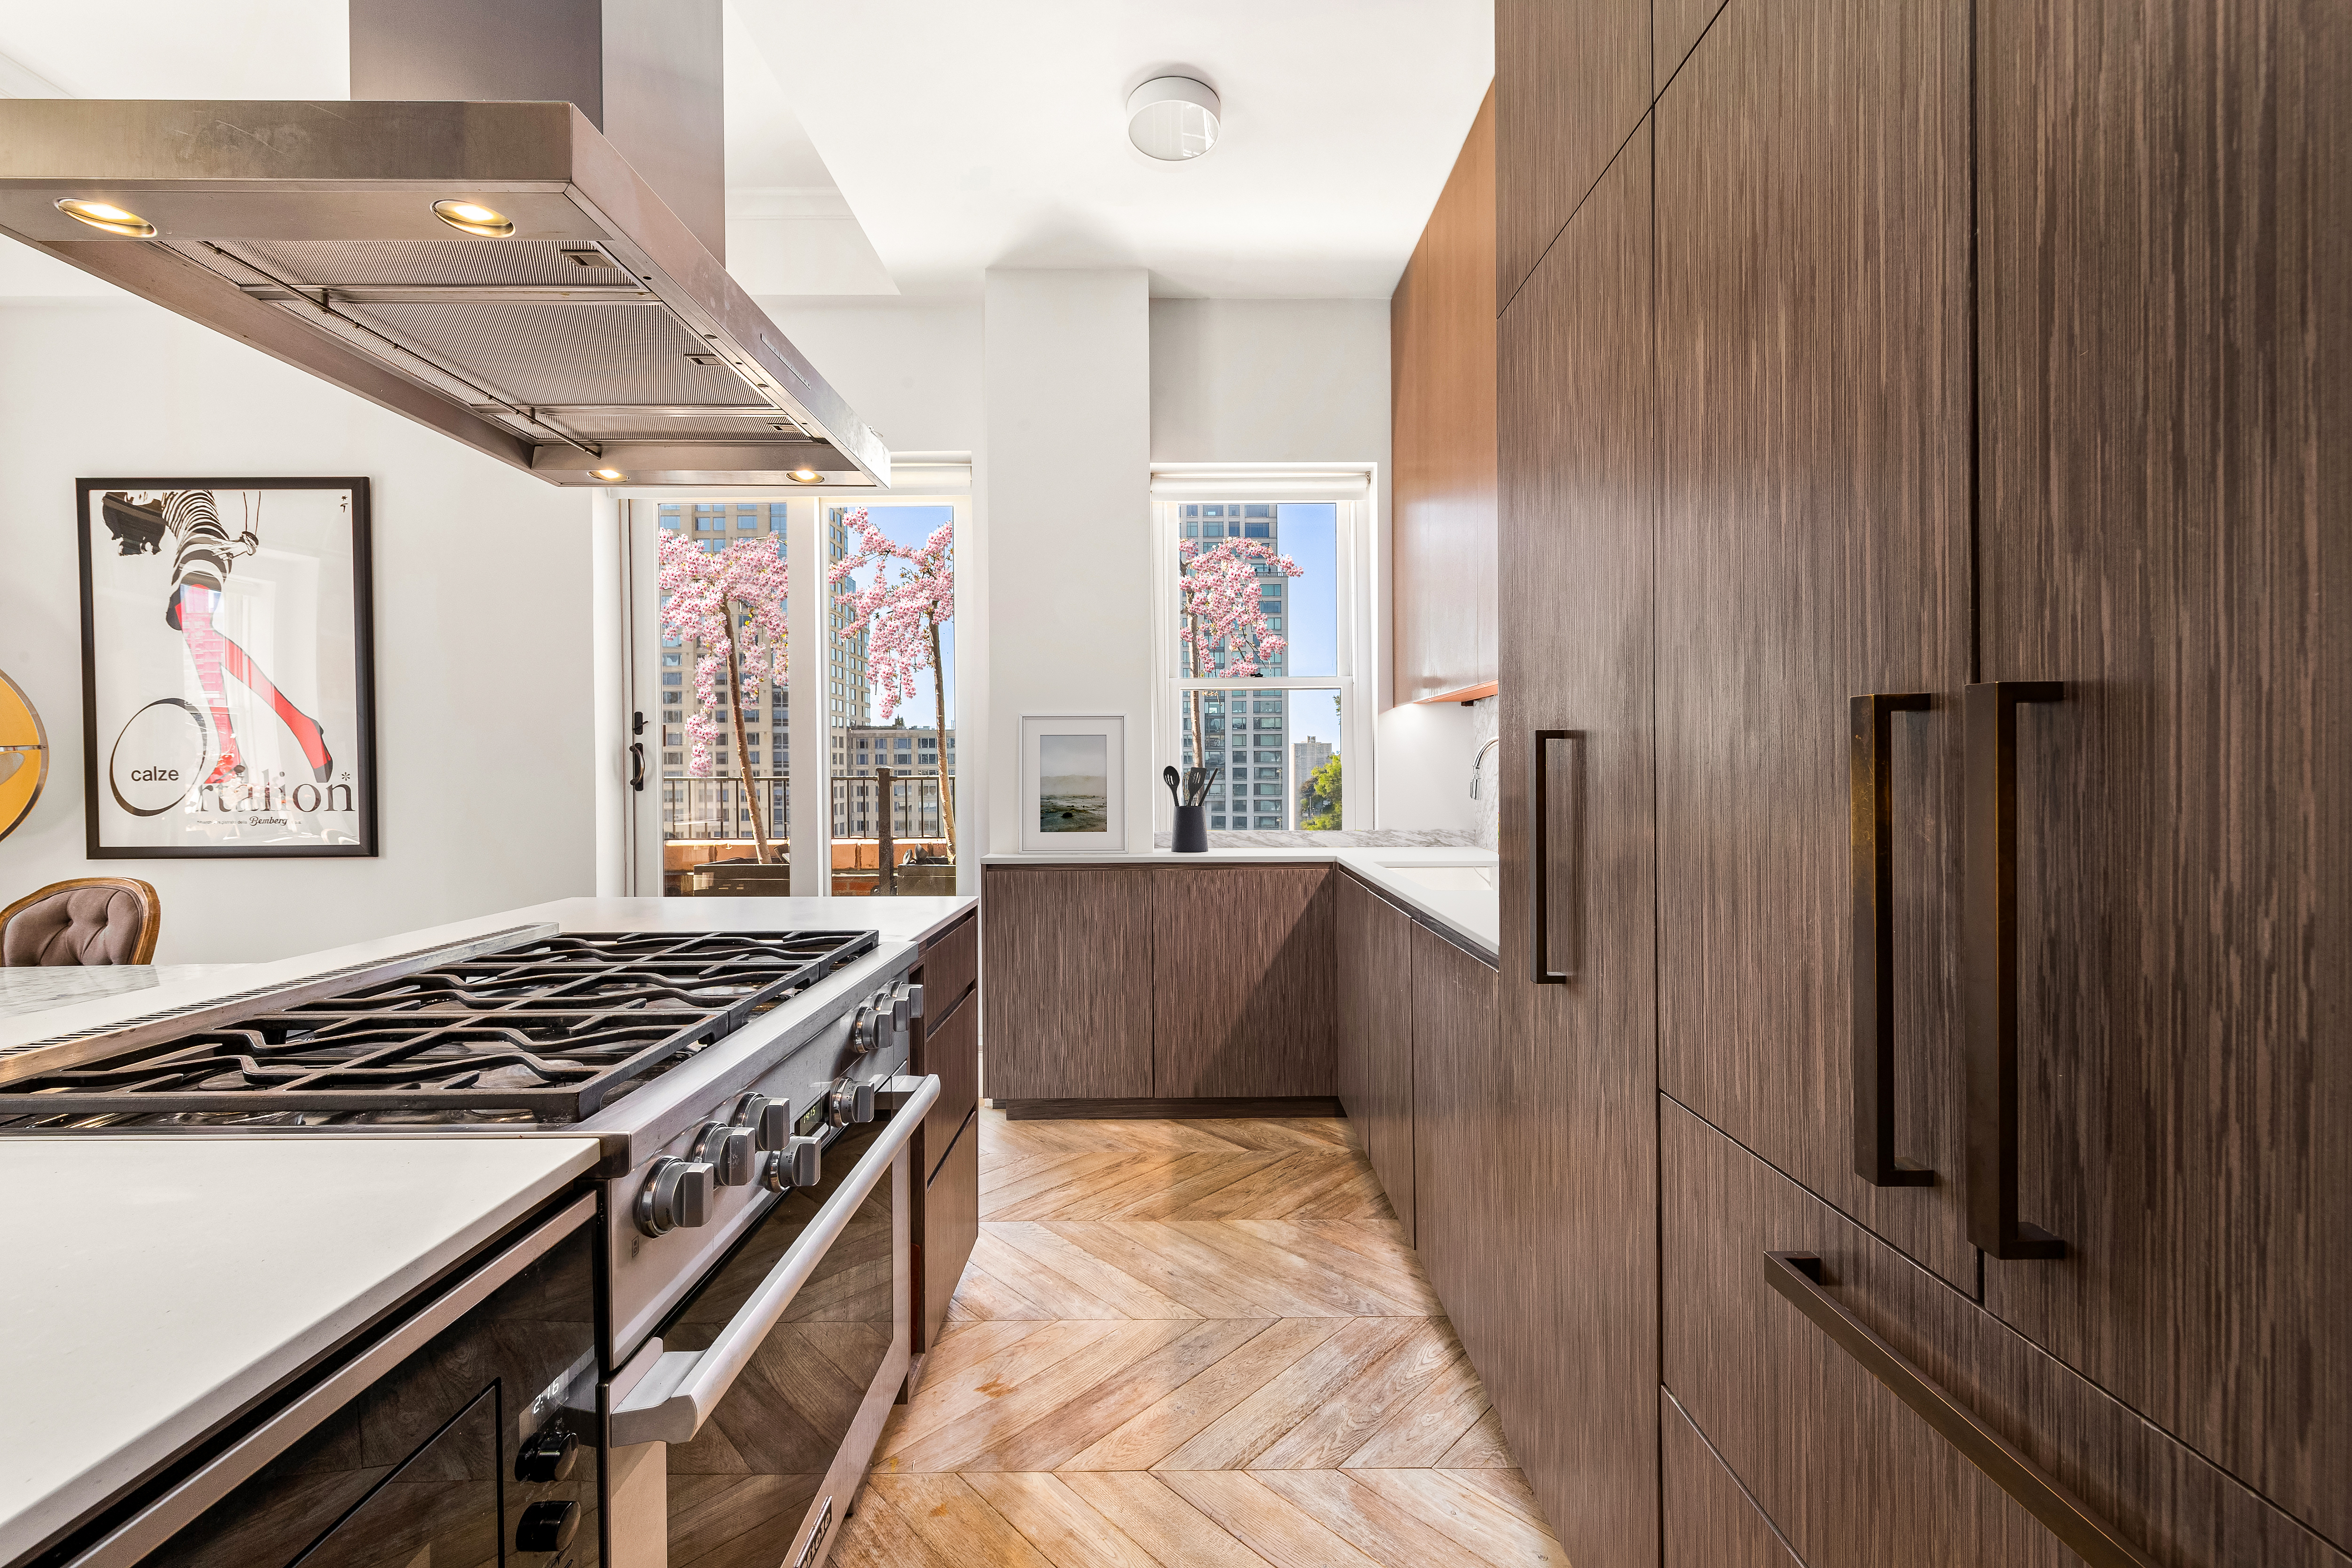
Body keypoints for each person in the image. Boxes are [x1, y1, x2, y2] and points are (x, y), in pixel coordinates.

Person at [101, 488, 333, 786]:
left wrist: (248, 540)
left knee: (200, 635)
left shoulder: (179, 475)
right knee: (200, 640)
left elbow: (252, 484)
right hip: (191, 549)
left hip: (205, 542)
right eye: (132, 498)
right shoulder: (162, 496)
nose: (136, 495)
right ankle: (240, 747)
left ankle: (277, 733)